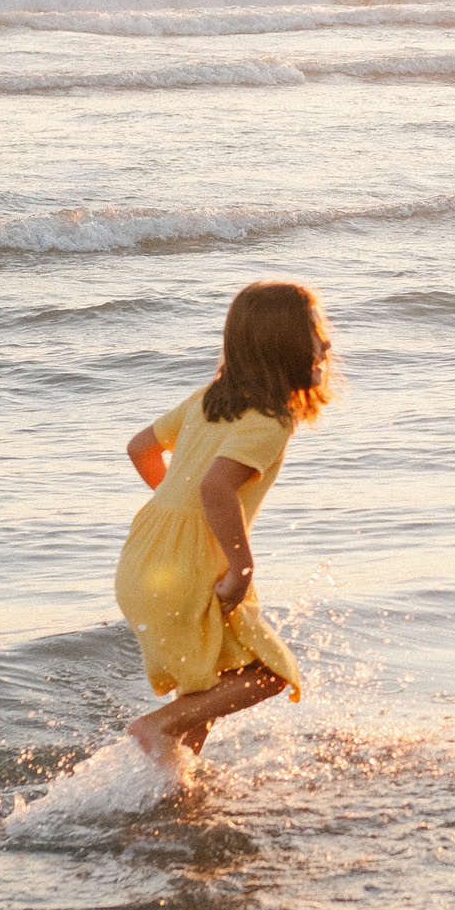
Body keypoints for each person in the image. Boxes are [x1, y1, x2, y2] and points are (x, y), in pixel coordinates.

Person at [115, 280, 334, 763]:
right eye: (316, 333)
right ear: (285, 345)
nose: (327, 343)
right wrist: (242, 569)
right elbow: (215, 487)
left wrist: (178, 513)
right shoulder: (271, 419)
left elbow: (140, 448)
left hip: (143, 555)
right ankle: (156, 727)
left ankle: (171, 781)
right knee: (271, 674)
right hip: (188, 568)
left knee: (205, 685)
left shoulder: (210, 398)